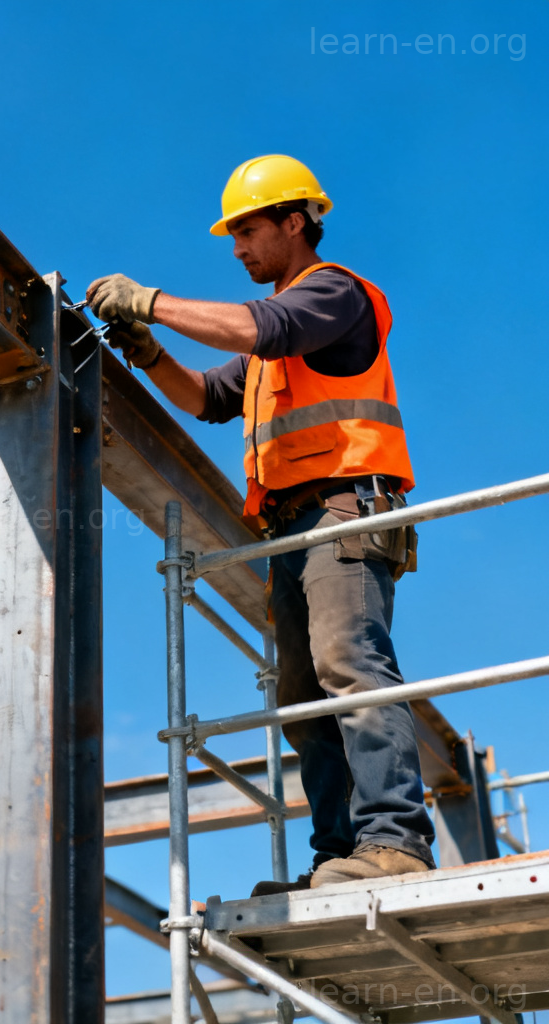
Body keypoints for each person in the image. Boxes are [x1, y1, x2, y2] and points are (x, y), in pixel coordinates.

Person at [86, 154, 435, 892]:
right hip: (289, 529)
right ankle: (339, 855)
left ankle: (395, 841)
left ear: (296, 221)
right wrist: (149, 354)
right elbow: (208, 397)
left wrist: (148, 301)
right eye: (233, 235)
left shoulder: (334, 294)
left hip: (345, 511)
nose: (238, 248)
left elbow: (264, 328)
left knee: (351, 666)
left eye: (248, 230)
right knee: (302, 702)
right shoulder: (269, 348)